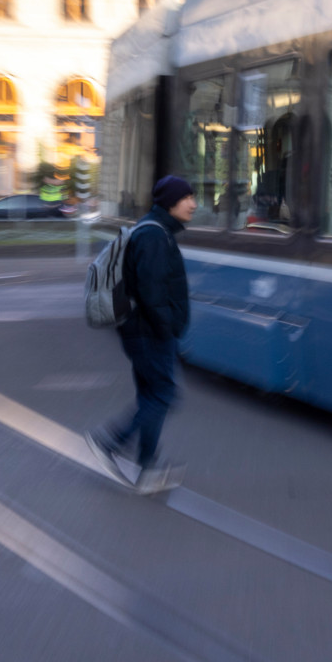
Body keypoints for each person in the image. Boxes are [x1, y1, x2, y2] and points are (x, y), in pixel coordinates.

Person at [87, 175, 194, 492]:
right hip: (148, 333)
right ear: (171, 201)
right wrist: (168, 326)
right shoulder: (153, 236)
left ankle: (148, 470)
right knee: (162, 395)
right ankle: (109, 441)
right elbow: (151, 292)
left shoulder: (155, 231)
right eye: (187, 197)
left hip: (144, 331)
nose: (194, 204)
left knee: (153, 396)